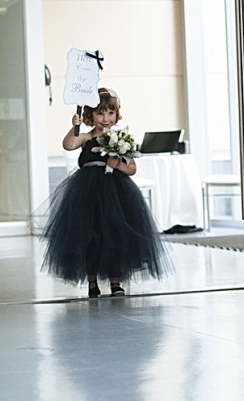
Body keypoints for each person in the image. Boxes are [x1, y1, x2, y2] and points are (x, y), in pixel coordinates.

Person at [41, 88, 171, 296]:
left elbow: (132, 168)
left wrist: (118, 165)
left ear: (117, 115)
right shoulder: (85, 137)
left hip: (115, 192)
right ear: (90, 115)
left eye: (110, 113)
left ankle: (115, 281)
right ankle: (92, 282)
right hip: (87, 192)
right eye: (100, 113)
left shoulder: (121, 138)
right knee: (89, 235)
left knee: (115, 235)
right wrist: (73, 127)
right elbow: (68, 145)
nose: (105, 118)